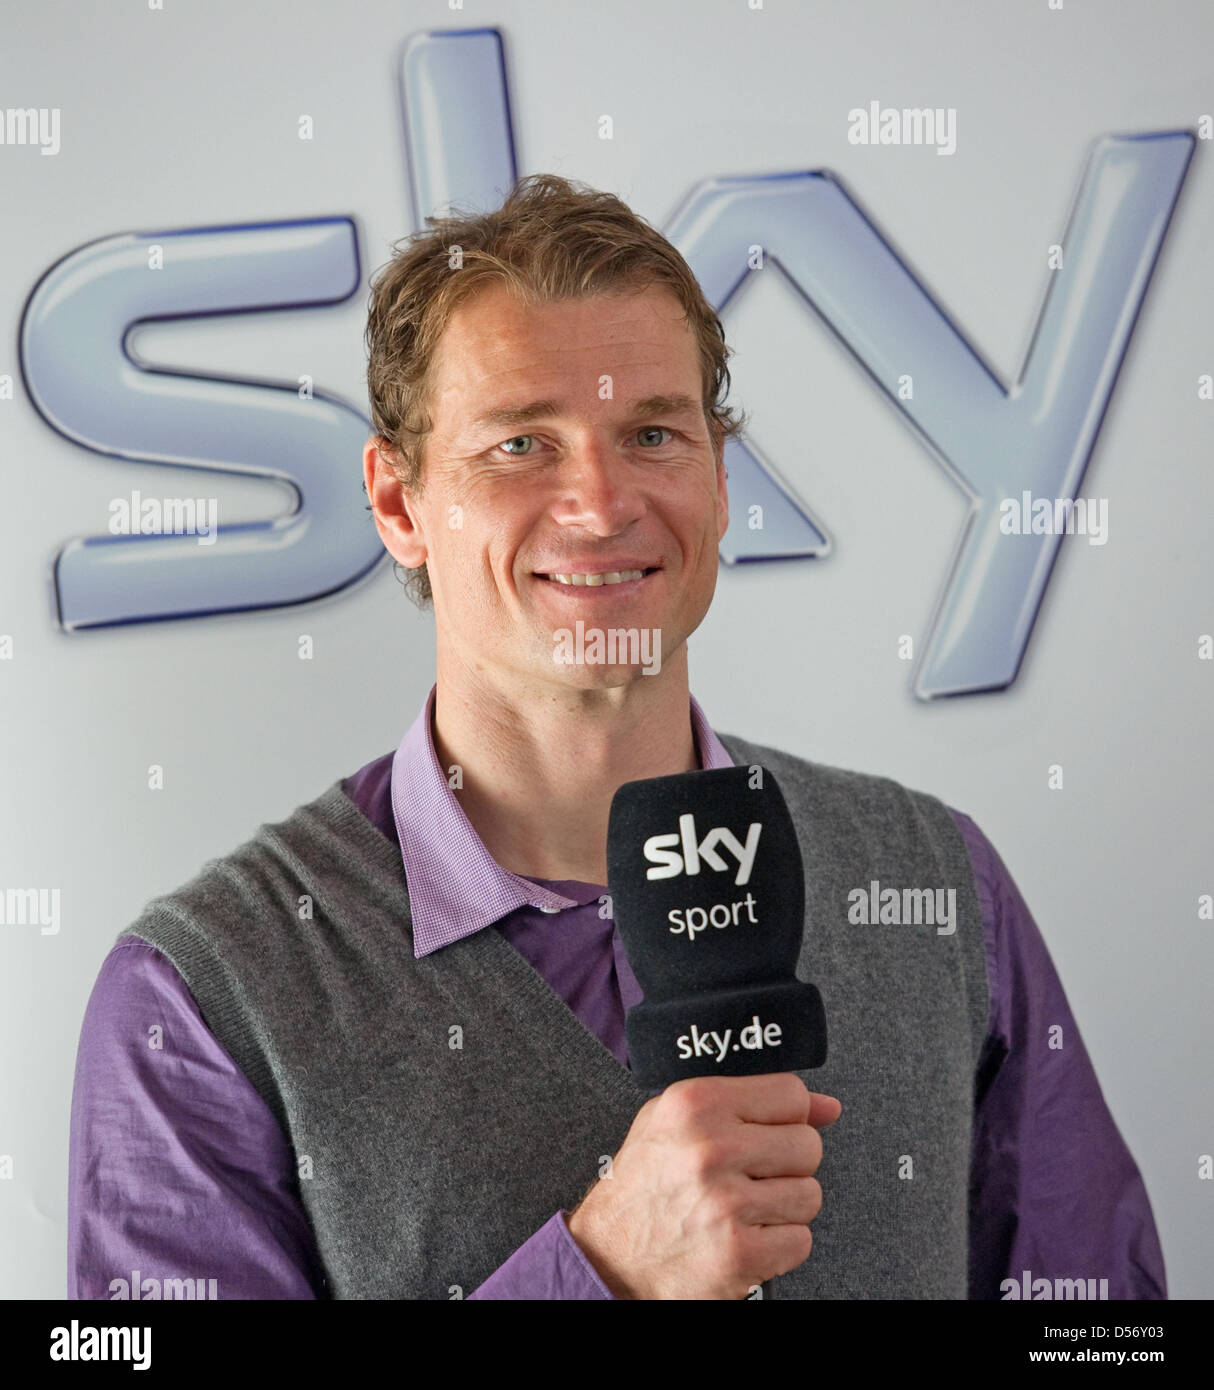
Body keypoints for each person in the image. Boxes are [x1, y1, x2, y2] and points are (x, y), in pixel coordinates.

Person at [68, 174, 1166, 1301]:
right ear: (398, 505)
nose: (598, 503)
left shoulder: (936, 883)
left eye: (650, 432)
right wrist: (596, 1275)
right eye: (518, 446)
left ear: (719, 478)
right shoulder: (204, 994)